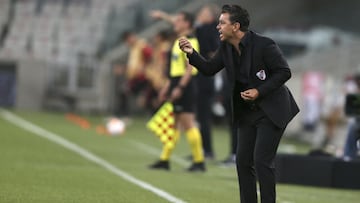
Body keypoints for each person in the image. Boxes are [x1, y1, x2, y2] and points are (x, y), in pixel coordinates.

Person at [179, 4, 299, 203]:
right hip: (247, 112)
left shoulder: (264, 44)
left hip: (272, 110)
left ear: (235, 26)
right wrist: (192, 53)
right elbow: (209, 69)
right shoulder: (226, 47)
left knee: (262, 161)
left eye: (222, 23)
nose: (218, 26)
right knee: (243, 162)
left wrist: (259, 91)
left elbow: (284, 72)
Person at [149, 11, 206, 172]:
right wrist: (167, 87)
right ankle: (164, 159)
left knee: (188, 123)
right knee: (173, 125)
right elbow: (175, 69)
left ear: (188, 23)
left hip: (185, 85)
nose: (176, 22)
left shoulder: (191, 40)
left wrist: (180, 87)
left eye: (179, 20)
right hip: (176, 82)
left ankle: (199, 161)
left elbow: (190, 67)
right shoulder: (178, 40)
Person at [194, 4, 220, 159]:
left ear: (211, 17)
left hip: (205, 78)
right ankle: (202, 149)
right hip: (203, 77)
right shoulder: (201, 29)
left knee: (204, 117)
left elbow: (214, 52)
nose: (199, 14)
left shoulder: (209, 30)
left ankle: (208, 150)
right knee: (200, 116)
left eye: (203, 12)